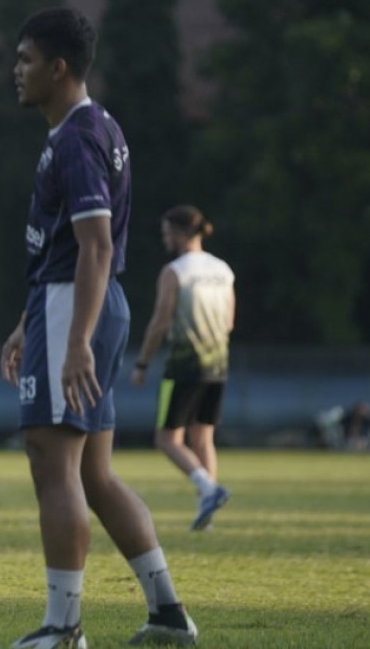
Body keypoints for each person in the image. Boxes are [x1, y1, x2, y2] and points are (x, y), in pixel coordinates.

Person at [0, 7, 198, 648]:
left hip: (75, 307)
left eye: (26, 59)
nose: (16, 70)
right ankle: (168, 615)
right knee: (94, 475)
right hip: (71, 303)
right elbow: (71, 247)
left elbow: (96, 246)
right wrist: (30, 320)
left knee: (51, 460)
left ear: (58, 68)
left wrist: (75, 338)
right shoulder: (93, 127)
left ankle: (64, 629)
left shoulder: (77, 139)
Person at [130, 205, 235, 531]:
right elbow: (229, 322)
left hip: (184, 366)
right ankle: (207, 516)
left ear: (178, 232)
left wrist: (142, 362)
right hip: (218, 365)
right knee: (203, 437)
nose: (164, 238)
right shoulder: (223, 270)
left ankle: (208, 489)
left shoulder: (175, 272)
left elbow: (160, 321)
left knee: (166, 440)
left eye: (166, 232)